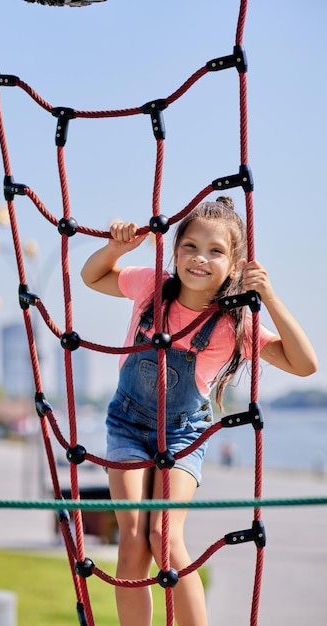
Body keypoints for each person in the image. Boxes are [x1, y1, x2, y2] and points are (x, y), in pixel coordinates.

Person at [80, 197, 317, 626]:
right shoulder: (151, 285)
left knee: (163, 538)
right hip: (127, 425)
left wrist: (269, 295)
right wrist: (117, 247)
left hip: (184, 433)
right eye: (189, 246)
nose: (200, 259)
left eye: (216, 251)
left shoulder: (234, 324)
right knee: (132, 539)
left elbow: (304, 364)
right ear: (175, 251)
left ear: (235, 263)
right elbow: (92, 276)